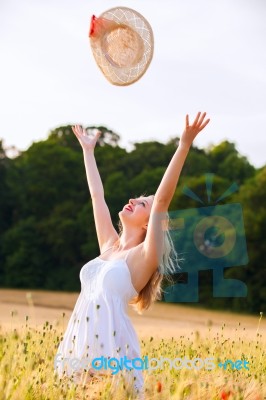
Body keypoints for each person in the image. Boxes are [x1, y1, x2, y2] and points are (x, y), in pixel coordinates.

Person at [54, 112, 210, 398]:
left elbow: (162, 199)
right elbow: (96, 196)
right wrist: (88, 151)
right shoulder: (109, 247)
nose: (131, 200)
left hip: (111, 349)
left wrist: (184, 144)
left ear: (149, 223)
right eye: (135, 198)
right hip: (80, 341)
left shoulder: (145, 255)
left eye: (140, 203)